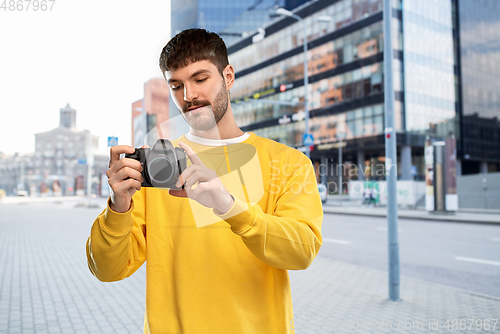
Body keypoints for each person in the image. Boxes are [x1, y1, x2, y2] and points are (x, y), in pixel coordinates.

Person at [86, 28, 323, 334]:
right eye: (176, 86)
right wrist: (118, 207)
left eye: (200, 79)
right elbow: (107, 270)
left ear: (228, 76)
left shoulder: (288, 162)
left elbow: (302, 252)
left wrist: (229, 207)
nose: (188, 96)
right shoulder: (157, 168)